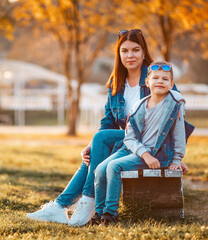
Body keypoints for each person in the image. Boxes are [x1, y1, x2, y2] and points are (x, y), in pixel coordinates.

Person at [26, 29, 193, 227]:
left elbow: (176, 118)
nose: (130, 55)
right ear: (119, 54)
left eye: (135, 50)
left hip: (147, 142)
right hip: (128, 140)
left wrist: (174, 156)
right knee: (94, 150)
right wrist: (90, 144)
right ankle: (64, 206)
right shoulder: (116, 83)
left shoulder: (157, 76)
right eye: (124, 51)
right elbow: (108, 121)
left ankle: (82, 203)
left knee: (100, 141)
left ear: (143, 52)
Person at [92, 61, 188, 226]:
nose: (160, 81)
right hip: (135, 150)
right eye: (155, 78)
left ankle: (110, 214)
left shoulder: (175, 104)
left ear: (171, 84)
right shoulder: (139, 106)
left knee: (114, 167)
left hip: (156, 154)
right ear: (147, 82)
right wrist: (144, 154)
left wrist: (177, 159)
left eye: (165, 79)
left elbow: (179, 133)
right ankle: (99, 213)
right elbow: (129, 138)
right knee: (100, 168)